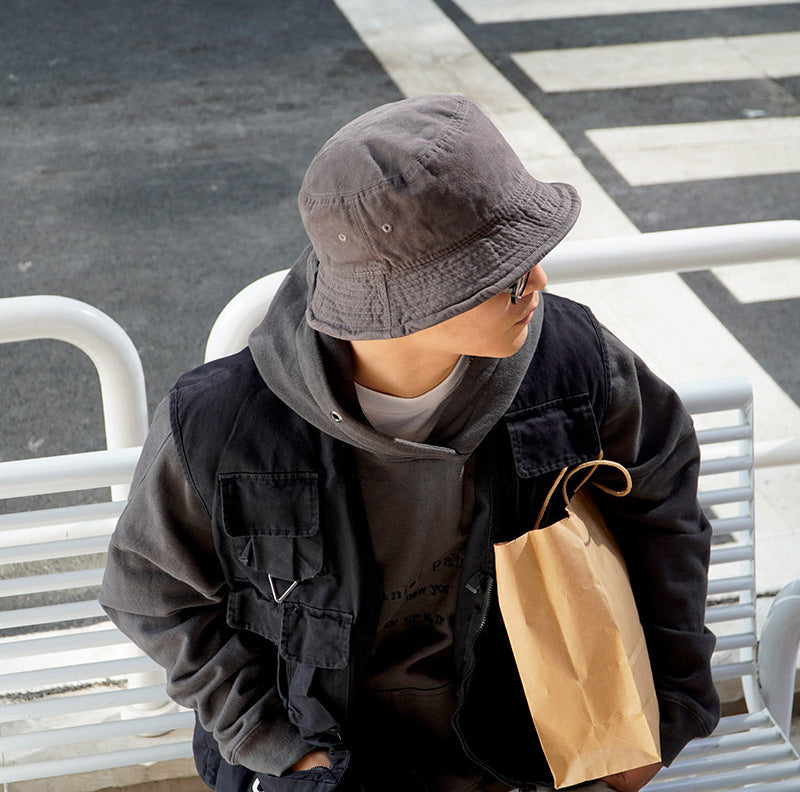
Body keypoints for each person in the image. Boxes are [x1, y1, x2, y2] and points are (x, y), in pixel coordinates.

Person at [99, 94, 720, 792]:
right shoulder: (222, 423)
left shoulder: (574, 365)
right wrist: (277, 746)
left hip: (524, 749)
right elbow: (152, 595)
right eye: (506, 270)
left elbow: (666, 507)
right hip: (330, 762)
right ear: (410, 305)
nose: (539, 282)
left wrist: (665, 707)